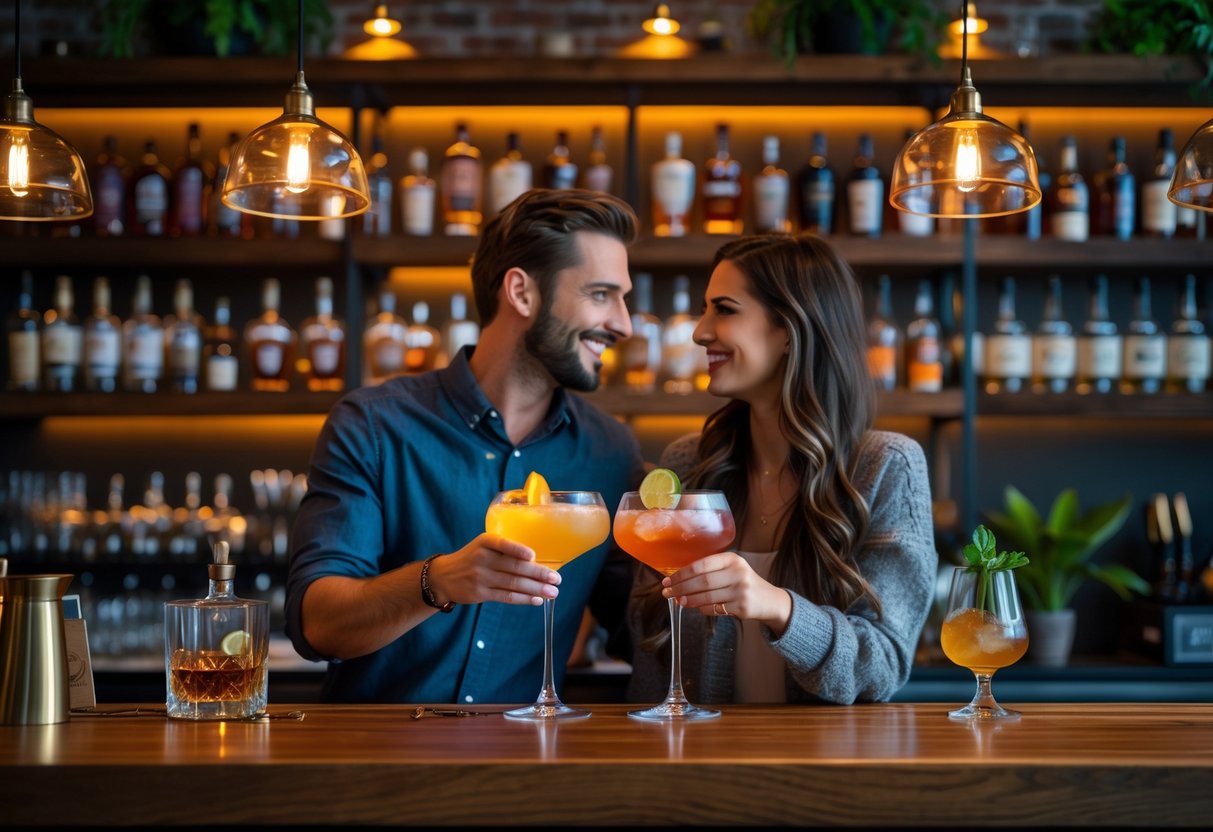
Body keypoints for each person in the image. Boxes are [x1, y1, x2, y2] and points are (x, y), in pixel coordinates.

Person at [286, 188, 646, 704]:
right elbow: (315, 624)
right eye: (600, 294)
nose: (623, 324)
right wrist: (438, 581)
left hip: (528, 765)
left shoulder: (610, 452)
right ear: (521, 292)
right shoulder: (373, 424)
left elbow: (638, 630)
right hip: (373, 760)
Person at [627, 232, 937, 705]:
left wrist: (780, 607)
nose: (699, 332)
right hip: (691, 760)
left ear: (790, 331)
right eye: (705, 309)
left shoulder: (885, 467)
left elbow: (883, 665)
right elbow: (651, 648)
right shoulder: (687, 463)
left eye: (724, 309)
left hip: (817, 769)